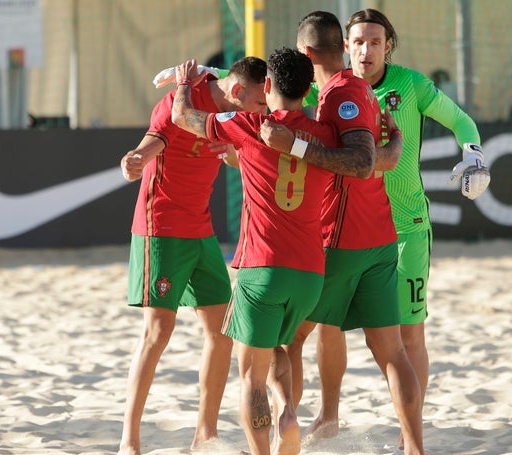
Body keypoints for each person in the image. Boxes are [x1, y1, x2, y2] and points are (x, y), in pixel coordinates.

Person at [263, 8, 490, 452]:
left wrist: (475, 154)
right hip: (346, 229)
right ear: (344, 47)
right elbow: (269, 77)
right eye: (358, 42)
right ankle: (329, 415)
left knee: (408, 335)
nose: (366, 49)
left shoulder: (411, 86)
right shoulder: (323, 84)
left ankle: (411, 437)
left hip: (405, 228)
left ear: (389, 46)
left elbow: (462, 120)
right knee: (330, 328)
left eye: (375, 41)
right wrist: (205, 75)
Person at [171, 47, 383, 455]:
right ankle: (288, 410)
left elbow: (185, 118)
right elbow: (361, 160)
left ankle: (263, 451)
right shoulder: (324, 134)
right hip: (309, 273)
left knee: (250, 375)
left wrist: (185, 83)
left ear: (266, 86)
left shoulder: (251, 124)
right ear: (308, 89)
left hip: (262, 268)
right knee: (280, 349)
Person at [259, 10, 425, 455]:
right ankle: (414, 448)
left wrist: (292, 145)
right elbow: (378, 157)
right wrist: (394, 146)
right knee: (392, 352)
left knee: (284, 337)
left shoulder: (339, 95)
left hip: (341, 241)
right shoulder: (363, 91)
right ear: (343, 46)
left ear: (308, 53)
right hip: (379, 240)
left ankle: (284, 436)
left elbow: (359, 161)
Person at [117, 56, 268, 455]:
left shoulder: (234, 109)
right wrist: (134, 160)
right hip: (160, 228)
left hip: (201, 229)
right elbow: (152, 141)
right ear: (237, 93)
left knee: (222, 332)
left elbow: (240, 157)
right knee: (157, 333)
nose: (263, 112)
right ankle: (129, 441)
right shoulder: (178, 102)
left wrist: (231, 151)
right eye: (258, 104)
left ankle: (205, 434)